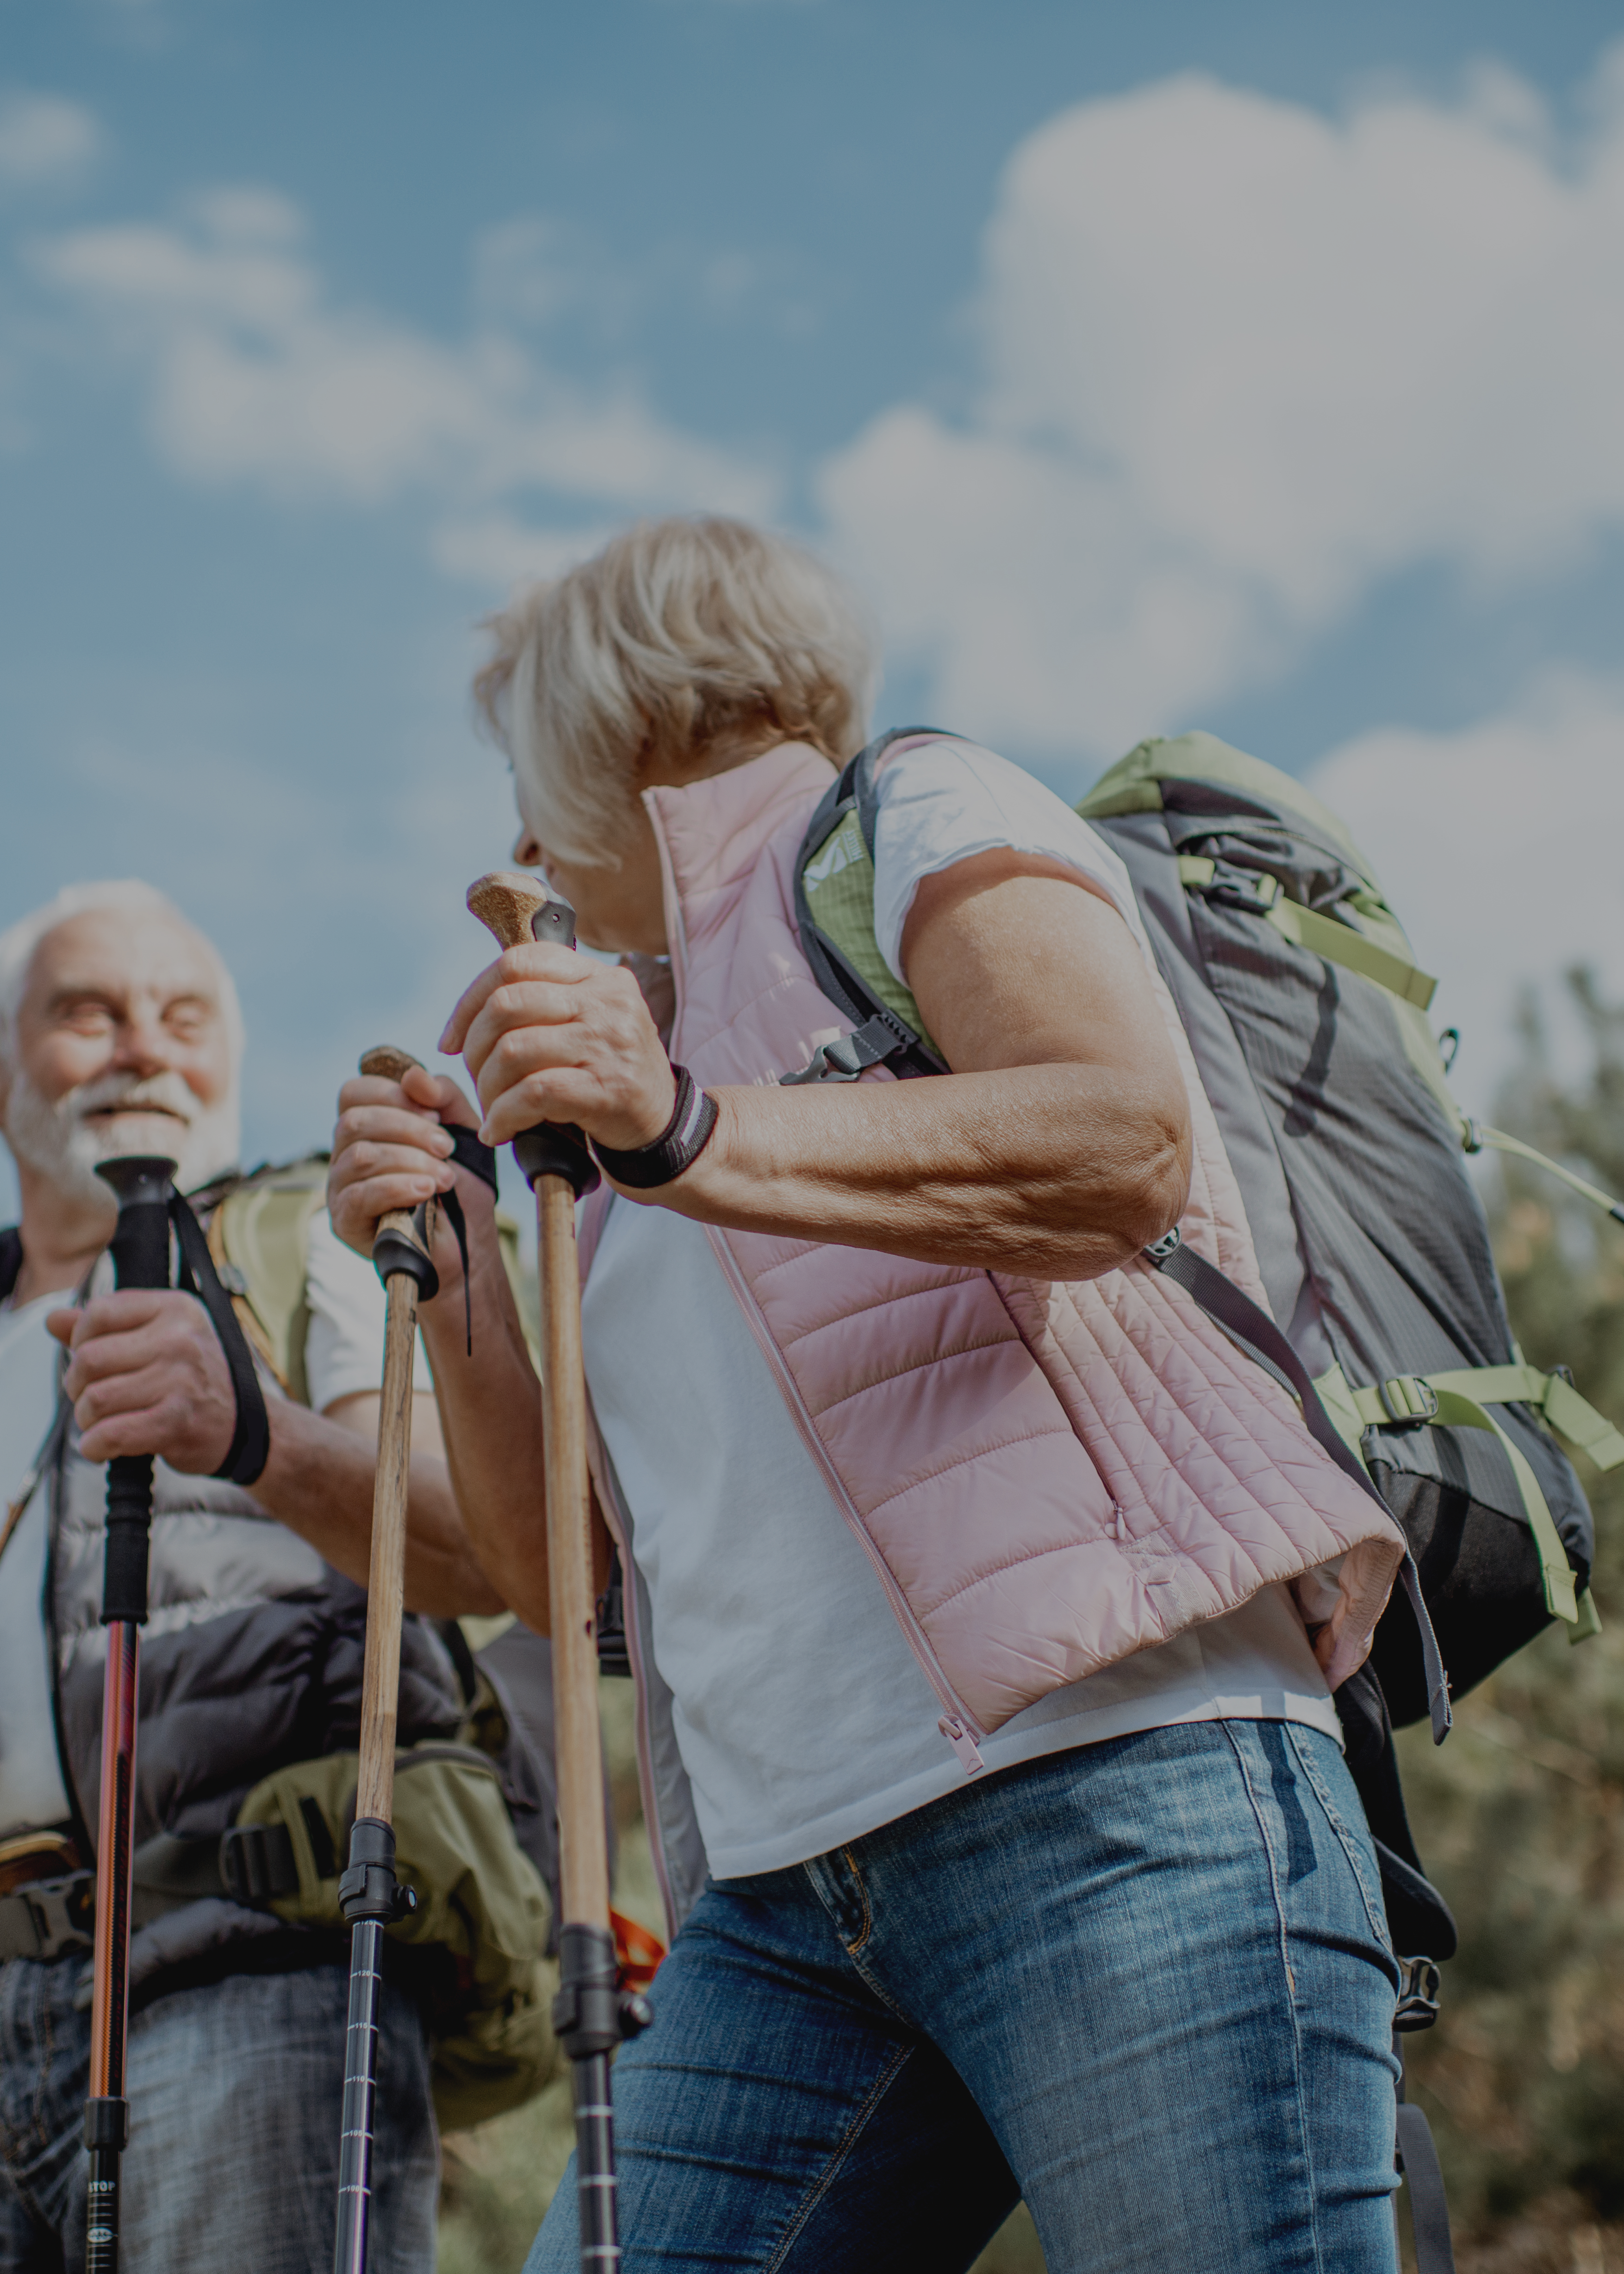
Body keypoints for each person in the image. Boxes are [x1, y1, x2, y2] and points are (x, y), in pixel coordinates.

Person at [329, 517, 1412, 2273]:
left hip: (1117, 1791)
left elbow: (1115, 1139)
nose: (516, 844)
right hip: (779, 1905)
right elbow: (563, 1585)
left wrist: (687, 1132)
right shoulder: (625, 1083)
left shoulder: (911, 811)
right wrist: (457, 1277)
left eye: (526, 776)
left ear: (617, 721)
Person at [0, 880, 508, 2274]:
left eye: (182, 1017)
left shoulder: (303, 1245)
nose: (143, 1048)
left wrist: (254, 1430)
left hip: (241, 1974)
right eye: (86, 1012)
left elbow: (476, 1549)